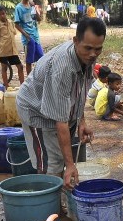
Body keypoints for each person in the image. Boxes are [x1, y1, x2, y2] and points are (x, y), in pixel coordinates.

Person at [16, 17, 107, 189]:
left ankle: (61, 201)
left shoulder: (88, 57)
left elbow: (79, 90)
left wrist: (81, 121)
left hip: (58, 109)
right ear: (75, 41)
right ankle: (49, 209)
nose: (93, 53)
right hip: (35, 109)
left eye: (98, 48)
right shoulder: (63, 67)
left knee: (63, 159)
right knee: (53, 164)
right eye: (88, 48)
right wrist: (70, 165)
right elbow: (60, 121)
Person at [15, 0, 44, 75]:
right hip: (28, 39)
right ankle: (29, 81)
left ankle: (38, 78)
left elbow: (39, 19)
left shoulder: (32, 6)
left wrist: (34, 8)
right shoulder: (19, 8)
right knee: (29, 61)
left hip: (35, 37)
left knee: (41, 58)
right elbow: (16, 24)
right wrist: (26, 35)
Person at [0, 5, 25, 87]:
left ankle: (22, 86)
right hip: (4, 51)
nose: (2, 16)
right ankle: (6, 87)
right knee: (4, 68)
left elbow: (13, 33)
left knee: (20, 66)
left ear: (5, 13)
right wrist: (2, 45)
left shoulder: (11, 23)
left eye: (3, 13)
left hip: (13, 50)